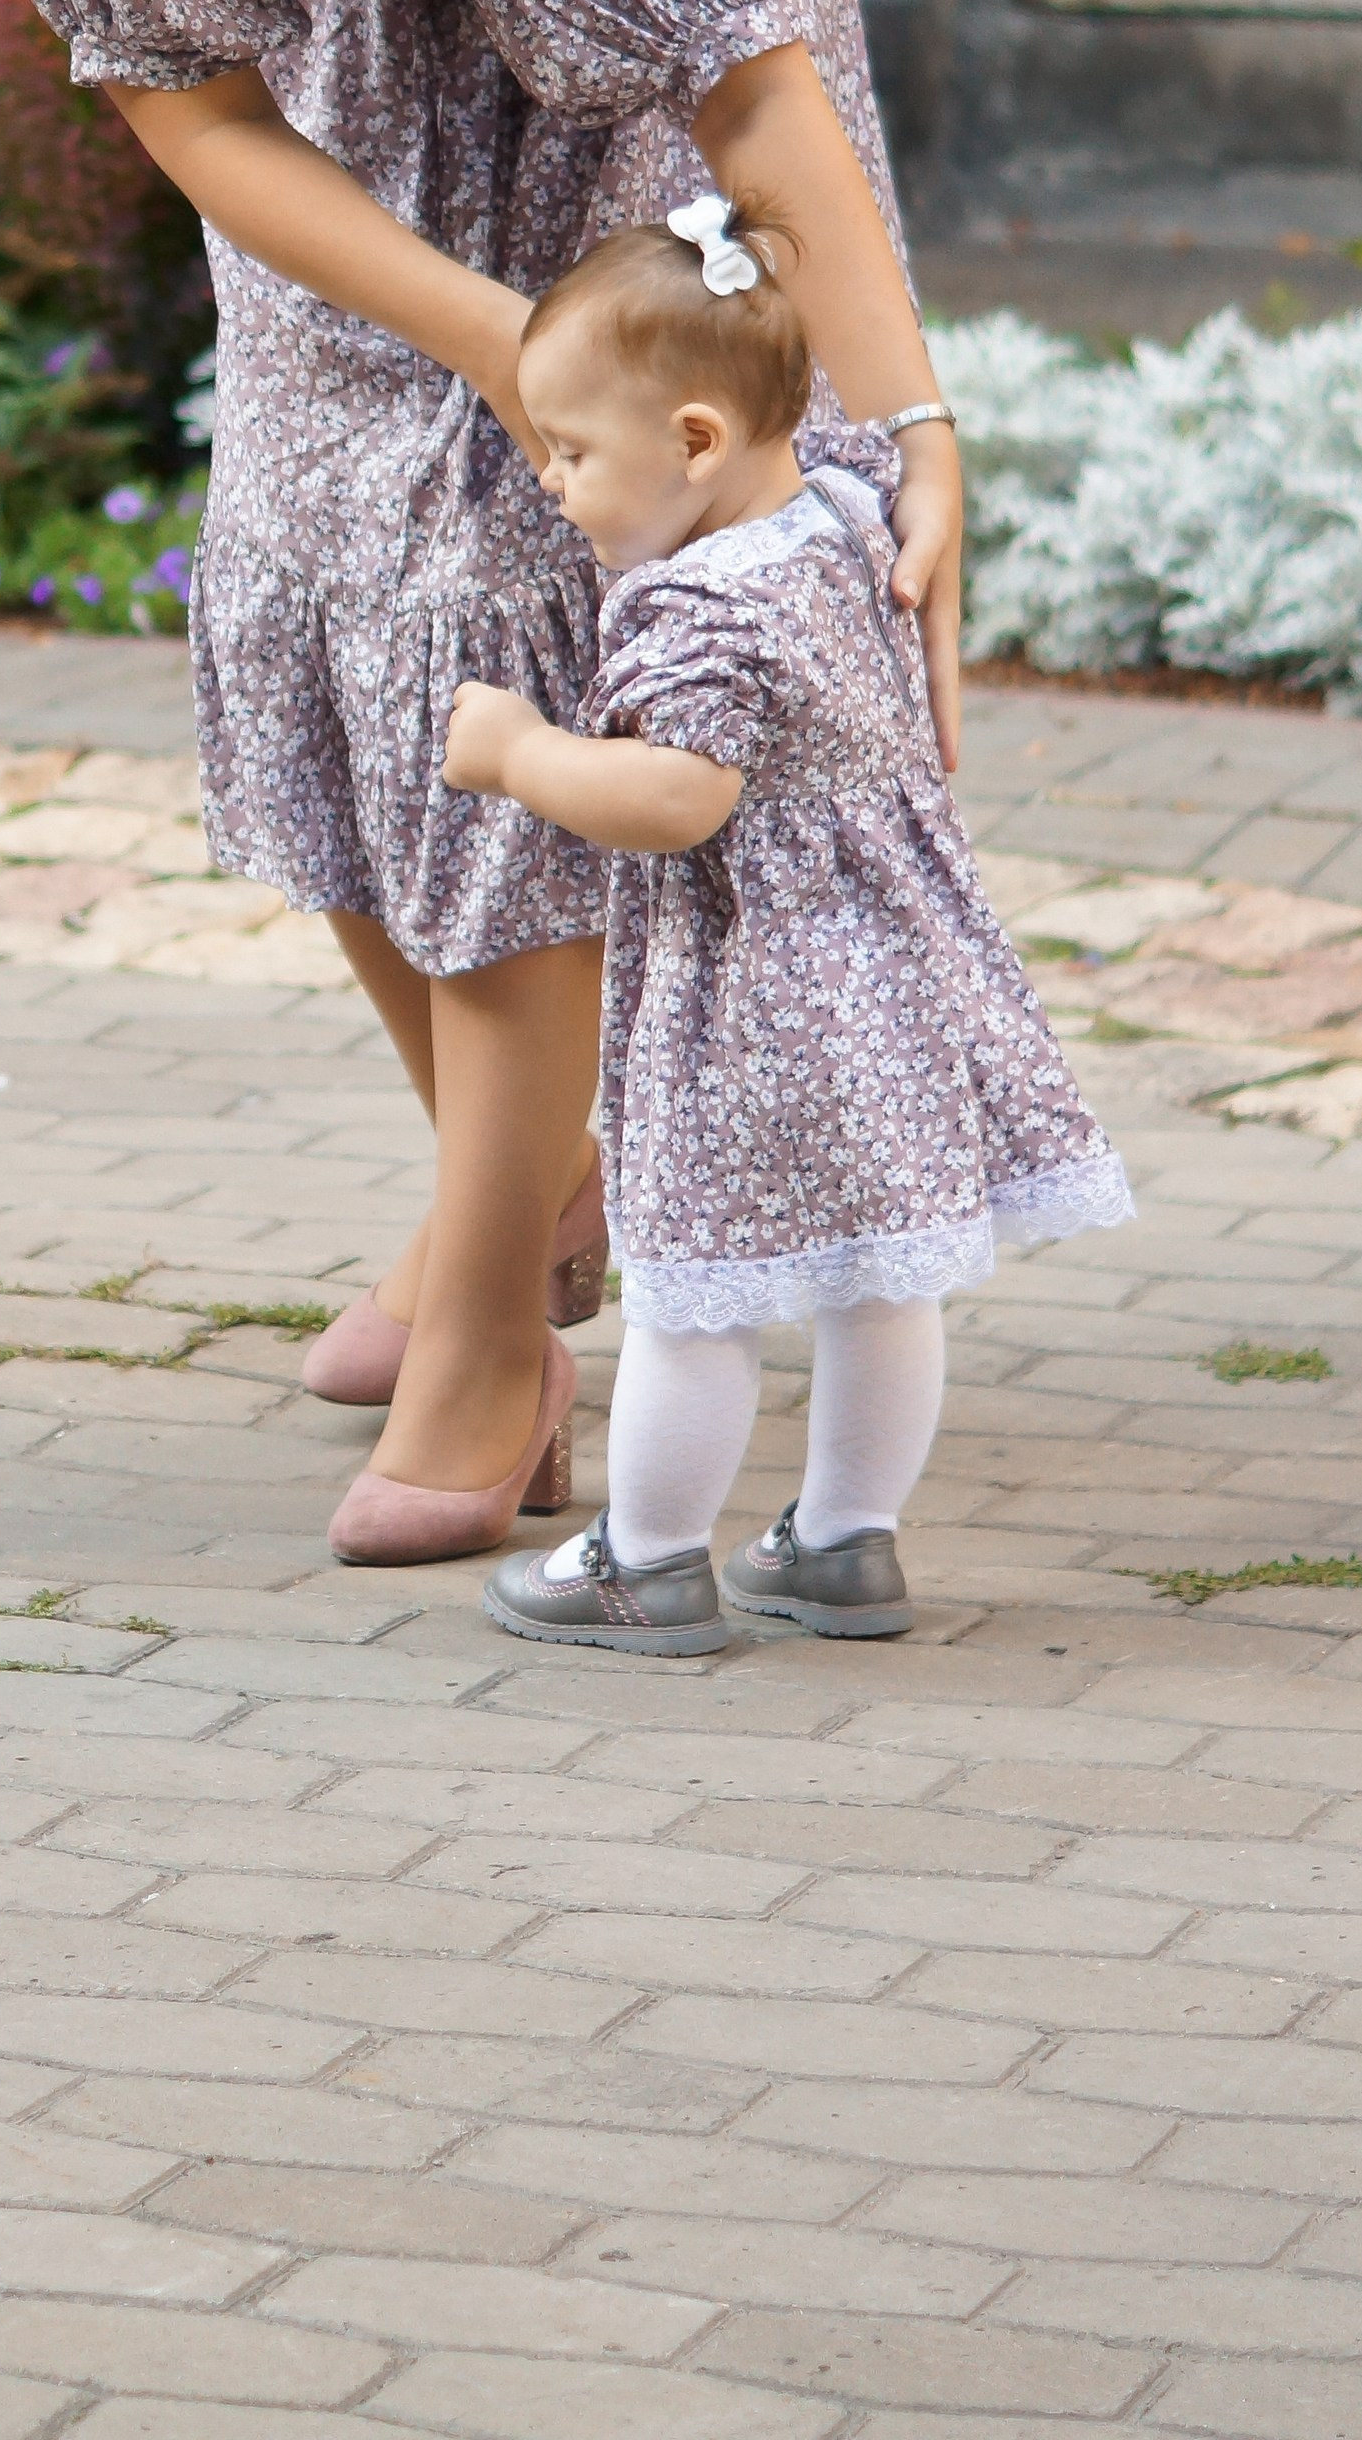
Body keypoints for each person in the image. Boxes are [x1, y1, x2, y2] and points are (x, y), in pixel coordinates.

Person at [0, 0, 968, 1565]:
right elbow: (201, 119)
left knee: (514, 608)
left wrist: (905, 416)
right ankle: (525, 1188)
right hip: (342, 146)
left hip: (632, 81)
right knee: (328, 588)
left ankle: (499, 1340)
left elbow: (753, 85)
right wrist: (473, 336)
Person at [447, 198, 1131, 1650]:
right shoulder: (836, 511)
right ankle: (839, 1541)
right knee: (883, 1274)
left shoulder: (699, 608)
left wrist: (514, 751)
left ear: (695, 443)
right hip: (895, 980)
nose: (555, 486)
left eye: (571, 453)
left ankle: (645, 1559)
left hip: (755, 1002)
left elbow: (677, 798)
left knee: (695, 1296)